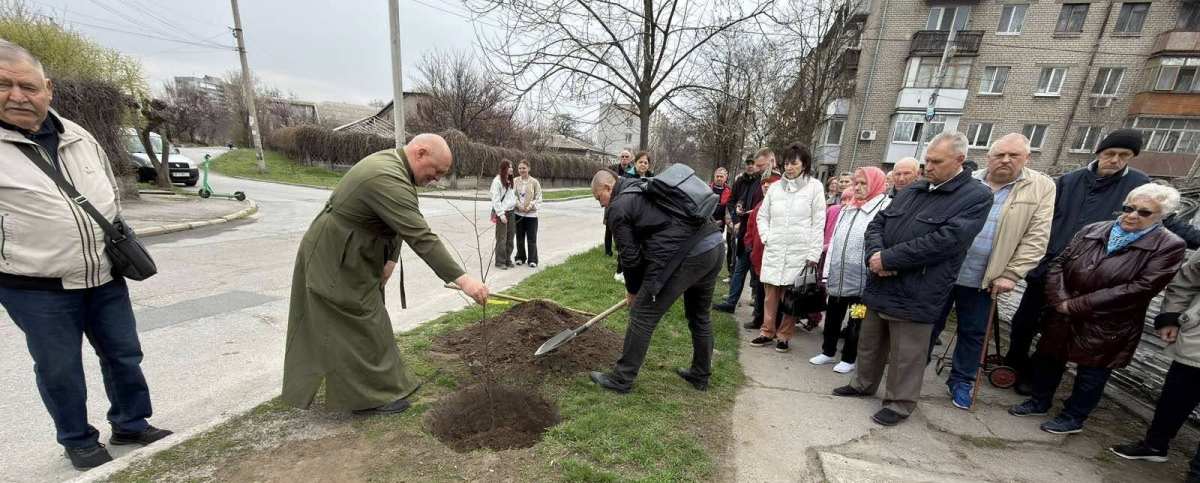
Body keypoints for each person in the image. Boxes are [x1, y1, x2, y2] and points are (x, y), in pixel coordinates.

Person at [0, 41, 173, 471]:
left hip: (103, 272)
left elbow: (109, 193)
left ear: (48, 89)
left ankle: (131, 422)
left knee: (123, 353)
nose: (18, 96)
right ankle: (78, 439)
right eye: (4, 85)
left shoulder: (78, 135)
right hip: (36, 284)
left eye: (28, 86)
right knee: (59, 367)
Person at [283, 133, 490, 416]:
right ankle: (368, 399)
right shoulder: (387, 176)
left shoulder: (397, 171)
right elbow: (420, 235)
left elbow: (395, 223)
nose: (438, 179)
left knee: (366, 321)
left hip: (354, 253)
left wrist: (391, 258)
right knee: (360, 321)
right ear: (421, 154)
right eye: (437, 171)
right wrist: (464, 281)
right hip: (336, 256)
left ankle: (378, 388)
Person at [1005, 129, 1200, 395]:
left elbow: (1165, 222)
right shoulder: (1069, 181)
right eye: (1110, 154)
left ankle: (1035, 379)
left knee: (1063, 336)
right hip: (1051, 270)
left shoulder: (1138, 185)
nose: (1115, 160)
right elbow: (1041, 218)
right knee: (1024, 324)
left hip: (1095, 283)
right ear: (1099, 153)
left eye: (1124, 155)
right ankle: (1013, 367)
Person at [831, 131, 992, 427]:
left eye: (935, 161)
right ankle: (862, 384)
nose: (927, 167)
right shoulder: (914, 190)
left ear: (959, 160)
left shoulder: (976, 196)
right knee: (870, 340)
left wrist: (891, 259)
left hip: (918, 287)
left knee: (907, 352)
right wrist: (876, 255)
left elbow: (947, 240)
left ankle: (899, 403)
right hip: (881, 281)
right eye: (926, 160)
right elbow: (877, 224)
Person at [1009, 184, 1186, 434]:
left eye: (1144, 212)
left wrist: (1076, 305)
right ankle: (1039, 400)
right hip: (1064, 310)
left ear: (1162, 217)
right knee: (1050, 357)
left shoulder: (1168, 245)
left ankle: (1074, 416)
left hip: (1108, 320)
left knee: (1092, 372)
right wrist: (1061, 300)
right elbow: (1059, 263)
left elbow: (1142, 287)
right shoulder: (1094, 229)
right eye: (1128, 208)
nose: (1132, 215)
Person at [924, 133, 1055, 409]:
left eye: (1014, 155)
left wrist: (1012, 273)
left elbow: (1037, 237)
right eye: (999, 155)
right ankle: (910, 371)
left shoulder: (1040, 187)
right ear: (989, 157)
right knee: (927, 324)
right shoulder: (967, 181)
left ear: (1027, 158)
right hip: (944, 270)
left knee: (973, 332)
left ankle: (962, 381)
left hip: (986, 276)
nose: (1005, 160)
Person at [587, 169, 724, 393]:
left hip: (686, 254)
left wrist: (633, 292)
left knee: (642, 315)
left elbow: (630, 259)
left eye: (599, 199)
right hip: (714, 244)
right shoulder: (642, 185)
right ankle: (700, 375)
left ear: (608, 188)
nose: (601, 205)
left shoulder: (619, 206)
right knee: (700, 315)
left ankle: (622, 379)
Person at [1109, 248, 1200, 482]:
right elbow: (1187, 280)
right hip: (1197, 340)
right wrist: (1172, 315)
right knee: (1175, 396)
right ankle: (1154, 446)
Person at [748, 143, 826, 354]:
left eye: (795, 163)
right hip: (774, 248)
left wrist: (813, 253)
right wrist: (766, 236)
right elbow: (763, 216)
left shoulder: (814, 187)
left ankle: (784, 336)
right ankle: (766, 332)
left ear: (804, 164)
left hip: (799, 252)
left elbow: (819, 222)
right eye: (787, 163)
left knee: (791, 297)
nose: (789, 168)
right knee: (770, 296)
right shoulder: (774, 188)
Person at [811, 168, 890, 374]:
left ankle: (848, 357)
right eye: (856, 183)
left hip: (862, 279)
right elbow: (836, 237)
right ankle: (828, 352)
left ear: (875, 184)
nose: (858, 188)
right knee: (834, 316)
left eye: (863, 184)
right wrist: (828, 268)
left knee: (856, 318)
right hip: (839, 273)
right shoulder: (848, 206)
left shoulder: (883, 207)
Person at [715, 152, 770, 314]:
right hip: (745, 230)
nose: (752, 166)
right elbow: (735, 201)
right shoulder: (743, 181)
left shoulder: (766, 181)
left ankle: (757, 309)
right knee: (739, 268)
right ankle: (731, 302)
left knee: (757, 273)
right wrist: (737, 215)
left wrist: (754, 212)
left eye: (756, 164)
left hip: (760, 235)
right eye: (749, 163)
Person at [727, 156, 758, 274]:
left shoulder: (760, 181)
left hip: (753, 225)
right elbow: (731, 201)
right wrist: (736, 219)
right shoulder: (739, 181)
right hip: (739, 224)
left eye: (752, 163)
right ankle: (731, 275)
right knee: (735, 252)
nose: (750, 166)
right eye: (747, 163)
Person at [603, 150, 634, 257]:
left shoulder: (633, 171)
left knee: (622, 227)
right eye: (622, 156)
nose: (624, 158)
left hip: (626, 203)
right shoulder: (612, 169)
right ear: (619, 158)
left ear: (630, 159)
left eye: (627, 157)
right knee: (608, 227)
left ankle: (620, 249)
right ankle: (608, 252)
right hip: (612, 201)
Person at [514, 159, 543, 268]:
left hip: (531, 216)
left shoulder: (534, 182)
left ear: (529, 169)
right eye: (520, 168)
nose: (522, 170)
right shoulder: (515, 181)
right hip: (518, 214)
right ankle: (520, 257)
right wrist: (519, 206)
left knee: (531, 238)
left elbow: (538, 196)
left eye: (524, 168)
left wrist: (530, 206)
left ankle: (533, 259)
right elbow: (513, 196)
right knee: (519, 237)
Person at [491, 159, 518, 269]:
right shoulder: (497, 181)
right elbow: (496, 200)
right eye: (509, 166)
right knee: (502, 238)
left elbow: (513, 196)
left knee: (510, 237)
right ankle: (500, 261)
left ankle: (507, 259)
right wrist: (501, 215)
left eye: (512, 166)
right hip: (502, 213)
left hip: (512, 212)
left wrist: (517, 204)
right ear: (504, 168)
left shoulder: (511, 181)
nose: (512, 168)